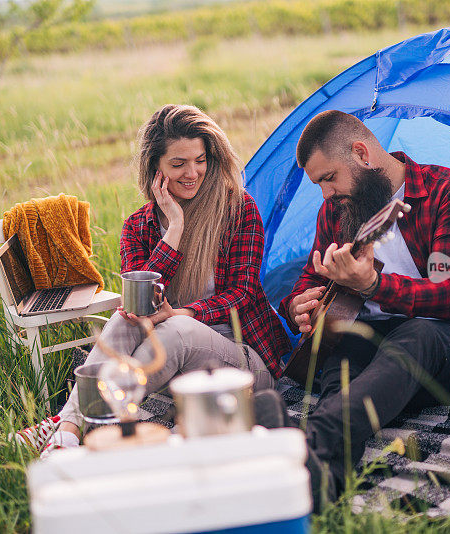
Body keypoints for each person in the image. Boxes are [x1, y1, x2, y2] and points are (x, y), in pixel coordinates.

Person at [15, 104, 291, 455]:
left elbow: (243, 293)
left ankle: (70, 423)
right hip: (170, 359)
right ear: (155, 168)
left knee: (177, 330)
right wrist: (174, 229)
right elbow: (140, 303)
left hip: (241, 362)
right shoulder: (138, 226)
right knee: (124, 316)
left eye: (200, 160)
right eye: (178, 164)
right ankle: (68, 432)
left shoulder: (238, 209)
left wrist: (182, 314)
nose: (193, 173)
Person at [276, 110, 450, 507]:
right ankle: (320, 485)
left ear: (361, 153)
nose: (325, 194)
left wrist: (374, 285)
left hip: (446, 346)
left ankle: (304, 438)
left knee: (417, 334)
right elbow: (310, 278)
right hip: (370, 345)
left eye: (328, 178)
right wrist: (298, 305)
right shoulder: (338, 210)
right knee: (345, 348)